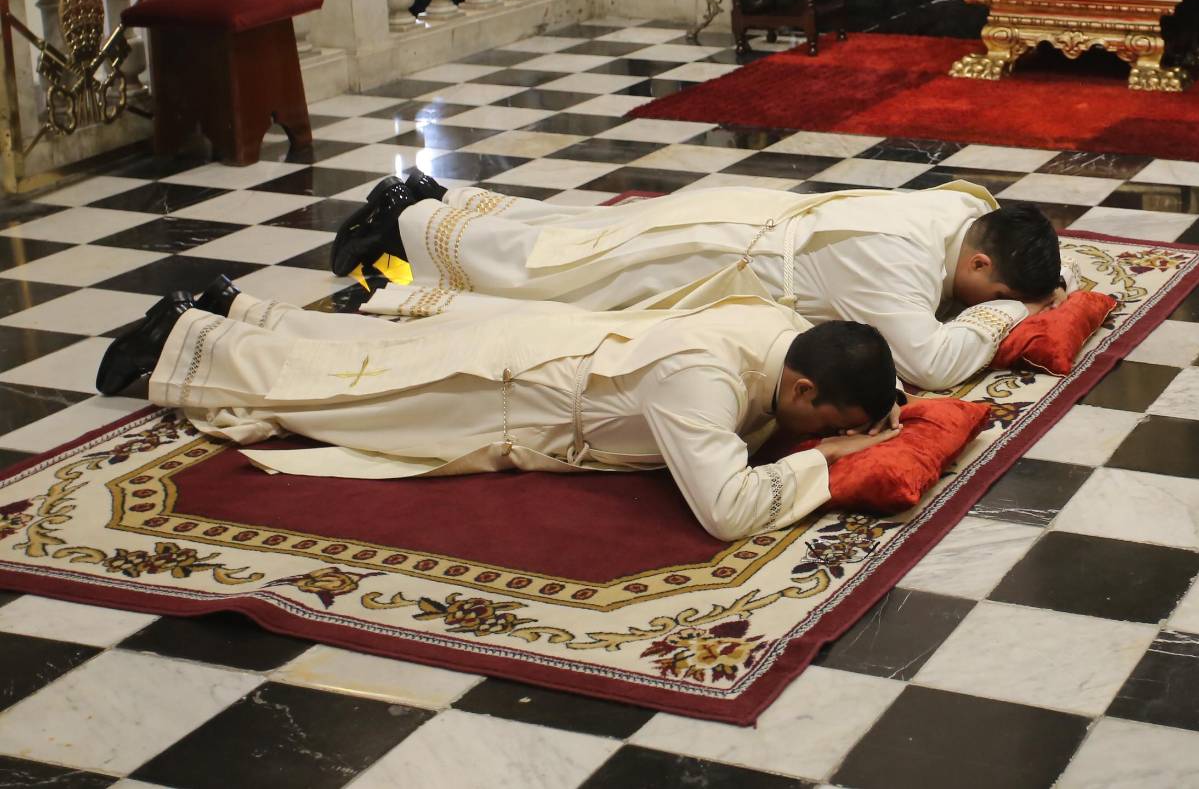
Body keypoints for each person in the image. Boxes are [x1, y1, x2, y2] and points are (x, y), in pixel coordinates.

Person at [95, 273, 902, 541]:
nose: (831, 437)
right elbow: (725, 509)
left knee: (362, 359)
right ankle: (181, 337)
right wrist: (817, 463)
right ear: (802, 391)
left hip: (557, 352)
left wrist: (864, 410)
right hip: (505, 395)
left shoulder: (791, 336)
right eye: (828, 421)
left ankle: (241, 308)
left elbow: (848, 367)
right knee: (340, 393)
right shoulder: (707, 378)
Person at [331, 173, 1068, 392]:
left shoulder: (965, 211)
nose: (1001, 307)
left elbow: (994, 208)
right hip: (713, 257)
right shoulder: (895, 267)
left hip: (742, 215)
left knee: (579, 237)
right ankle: (399, 234)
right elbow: (930, 365)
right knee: (560, 280)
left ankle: (433, 204)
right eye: (997, 292)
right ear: (978, 265)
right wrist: (1007, 317)